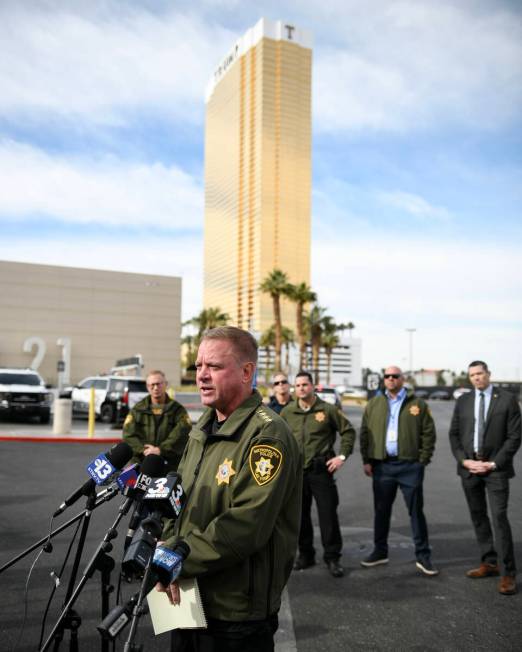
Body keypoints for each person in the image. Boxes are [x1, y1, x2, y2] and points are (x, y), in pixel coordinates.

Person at [158, 327, 302, 651]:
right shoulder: (203, 426)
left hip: (235, 613)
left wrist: (179, 557)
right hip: (188, 595)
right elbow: (177, 498)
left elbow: (246, 524)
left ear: (246, 372)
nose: (202, 376)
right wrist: (167, 543)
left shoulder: (267, 435)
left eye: (214, 367)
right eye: (198, 366)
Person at [449, 360, 521, 595]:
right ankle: (489, 562)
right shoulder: (464, 401)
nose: (477, 378)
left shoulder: (508, 399)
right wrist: (464, 460)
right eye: (472, 375)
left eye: (480, 373)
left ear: (488, 373)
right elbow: (454, 434)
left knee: (499, 518)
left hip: (495, 470)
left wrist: (493, 463)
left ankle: (508, 574)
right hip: (470, 469)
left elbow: (514, 436)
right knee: (478, 516)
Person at [359, 366, 438, 576]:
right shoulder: (374, 404)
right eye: (387, 376)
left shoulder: (417, 404)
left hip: (410, 466)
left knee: (415, 512)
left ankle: (423, 556)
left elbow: (429, 433)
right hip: (382, 466)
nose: (391, 379)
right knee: (381, 511)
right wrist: (367, 460)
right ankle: (380, 551)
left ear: (402, 379)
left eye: (395, 376)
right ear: (384, 379)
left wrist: (422, 460)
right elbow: (364, 433)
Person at [281, 371, 355, 578]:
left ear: (313, 386)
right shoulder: (287, 412)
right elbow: (278, 438)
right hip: (297, 473)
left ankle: (332, 558)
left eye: (305, 384)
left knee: (328, 515)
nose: (301, 388)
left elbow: (348, 431)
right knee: (300, 516)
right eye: (298, 385)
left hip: (321, 470)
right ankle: (306, 555)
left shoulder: (328, 410)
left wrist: (341, 456)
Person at [123, 369, 191, 473]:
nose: (155, 388)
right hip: (141, 465)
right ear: (147, 387)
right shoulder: (137, 409)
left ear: (165, 384)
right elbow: (128, 435)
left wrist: (160, 450)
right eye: (152, 385)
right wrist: (144, 451)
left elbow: (182, 434)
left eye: (158, 384)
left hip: (169, 466)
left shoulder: (178, 410)